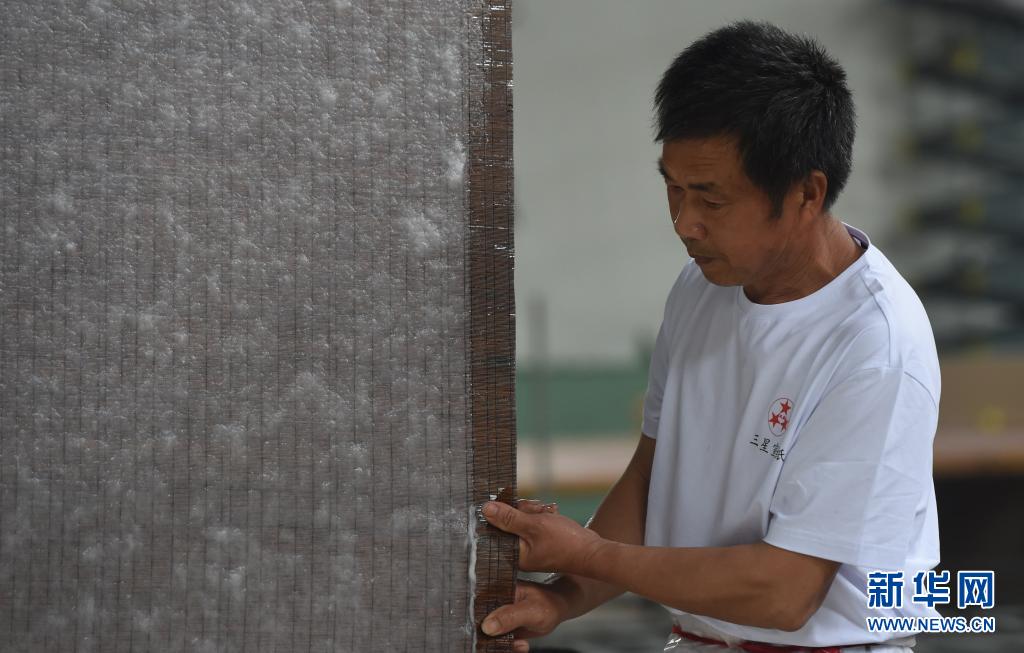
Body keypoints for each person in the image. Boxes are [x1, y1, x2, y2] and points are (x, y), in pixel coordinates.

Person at [480, 20, 940, 653]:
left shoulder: (873, 347)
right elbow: (650, 480)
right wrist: (562, 596)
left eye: (711, 200)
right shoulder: (703, 287)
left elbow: (785, 594)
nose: (684, 223)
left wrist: (587, 553)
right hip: (699, 638)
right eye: (672, 188)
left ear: (806, 193)